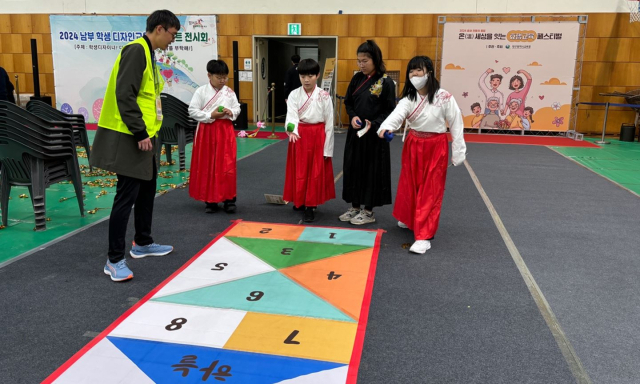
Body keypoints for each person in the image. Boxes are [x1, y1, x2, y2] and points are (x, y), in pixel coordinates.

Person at [90, 10, 180, 282]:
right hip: (129, 136)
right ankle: (114, 259)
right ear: (160, 28)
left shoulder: (149, 54)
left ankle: (142, 242)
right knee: (126, 196)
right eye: (172, 35)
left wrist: (148, 133)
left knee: (147, 189)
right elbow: (124, 94)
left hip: (145, 136)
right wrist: (140, 132)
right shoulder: (136, 51)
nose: (172, 41)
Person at [378, 56, 466, 254]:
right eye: (411, 71)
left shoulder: (444, 97)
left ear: (429, 73)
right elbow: (397, 115)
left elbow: (456, 123)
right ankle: (410, 218)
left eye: (419, 70)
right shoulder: (409, 99)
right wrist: (386, 127)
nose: (414, 75)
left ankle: (424, 236)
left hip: (436, 146)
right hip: (413, 144)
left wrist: (459, 151)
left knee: (430, 190)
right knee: (410, 184)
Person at [340, 40, 396, 225]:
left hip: (374, 136)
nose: (361, 64)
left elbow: (390, 110)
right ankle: (355, 207)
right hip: (356, 134)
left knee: (371, 171)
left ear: (375, 59)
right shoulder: (356, 79)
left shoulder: (386, 82)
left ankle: (368, 211)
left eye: (365, 61)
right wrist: (353, 116)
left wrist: (375, 123)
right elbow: (348, 102)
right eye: (359, 61)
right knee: (353, 167)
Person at [283, 59, 335, 222]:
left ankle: (310, 205)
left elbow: (330, 123)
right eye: (303, 76)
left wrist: (328, 148)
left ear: (317, 76)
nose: (306, 80)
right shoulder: (294, 94)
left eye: (310, 76)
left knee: (315, 172)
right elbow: (291, 116)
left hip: (318, 135)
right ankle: (299, 200)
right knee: (300, 170)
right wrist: (291, 129)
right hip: (300, 135)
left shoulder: (324, 96)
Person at [188, 59, 241, 214]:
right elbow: (192, 110)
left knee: (227, 164)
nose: (222, 81)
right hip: (207, 130)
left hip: (225, 130)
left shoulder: (229, 92)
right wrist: (210, 115)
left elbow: (237, 107)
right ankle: (210, 200)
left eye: (225, 77)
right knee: (208, 163)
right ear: (209, 75)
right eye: (219, 77)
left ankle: (229, 199)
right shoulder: (201, 92)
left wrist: (232, 112)